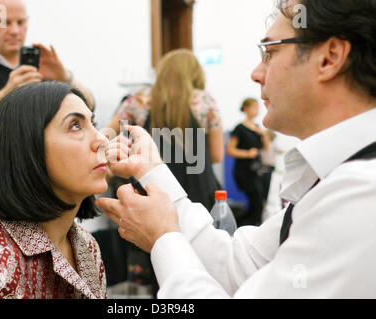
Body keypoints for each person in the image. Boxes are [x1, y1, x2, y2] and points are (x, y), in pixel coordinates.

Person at [96, 0, 376, 298]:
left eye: (269, 52)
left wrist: (164, 237)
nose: (256, 73)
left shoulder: (360, 192)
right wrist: (150, 171)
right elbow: (235, 265)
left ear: (329, 58)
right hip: (198, 185)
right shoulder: (333, 181)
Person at [0, 0, 94, 244]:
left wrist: (64, 77)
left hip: (47, 206)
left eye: (20, 22)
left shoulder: (42, 72)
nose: (13, 30)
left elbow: (88, 108)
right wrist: (6, 93)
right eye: (4, 21)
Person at [0, 81, 108, 299]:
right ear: (27, 147)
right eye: (75, 125)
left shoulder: (86, 246)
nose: (102, 139)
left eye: (94, 124)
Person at [107, 48, 224, 211]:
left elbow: (106, 137)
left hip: (152, 187)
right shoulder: (204, 101)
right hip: (198, 188)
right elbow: (217, 155)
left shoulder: (138, 100)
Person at [227, 98, 269, 226]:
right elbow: (230, 150)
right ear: (245, 108)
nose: (256, 110)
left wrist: (264, 134)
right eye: (253, 107)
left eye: (258, 108)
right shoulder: (239, 128)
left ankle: (240, 225)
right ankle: (238, 226)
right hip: (243, 171)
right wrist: (247, 153)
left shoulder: (257, 128)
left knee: (259, 204)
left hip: (256, 171)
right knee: (256, 204)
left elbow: (266, 148)